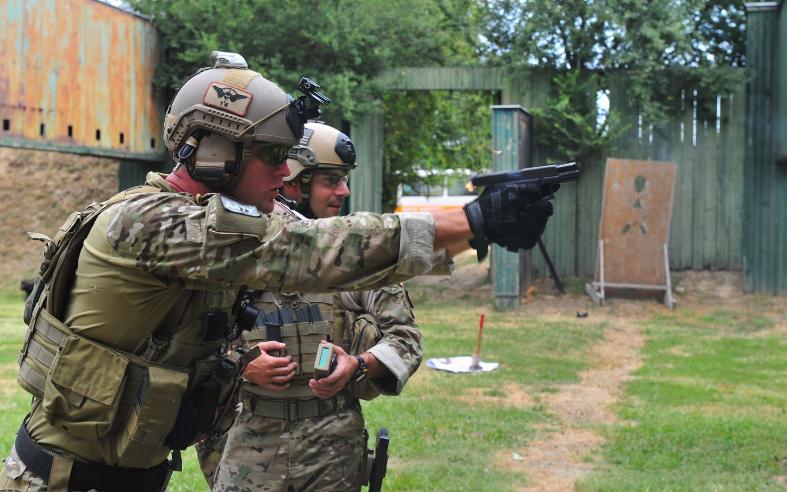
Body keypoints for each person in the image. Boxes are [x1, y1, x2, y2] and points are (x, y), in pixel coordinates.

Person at [1, 51, 553, 492]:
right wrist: (476, 222)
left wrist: (467, 223)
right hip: (64, 481)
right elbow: (306, 251)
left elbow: (321, 243)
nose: (287, 171)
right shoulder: (151, 224)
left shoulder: (205, 228)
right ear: (216, 153)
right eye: (271, 155)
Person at [197, 122, 423, 491]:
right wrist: (242, 363)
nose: (344, 191)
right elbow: (183, 334)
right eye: (331, 180)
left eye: (345, 179)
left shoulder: (355, 256)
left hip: (333, 445)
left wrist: (358, 364)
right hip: (249, 437)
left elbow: (406, 338)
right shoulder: (234, 250)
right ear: (293, 183)